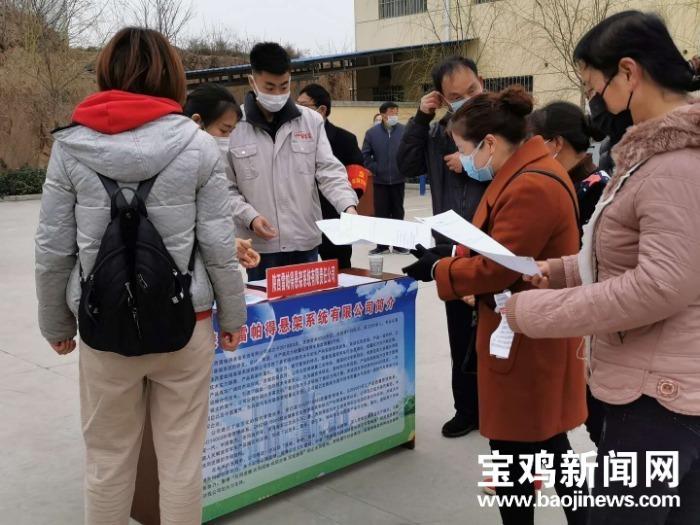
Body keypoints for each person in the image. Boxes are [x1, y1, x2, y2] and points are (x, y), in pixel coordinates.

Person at [34, 27, 246, 524]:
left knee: (107, 460)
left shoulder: (71, 146)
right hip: (185, 324)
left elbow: (52, 248)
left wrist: (56, 324)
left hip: (104, 325)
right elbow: (218, 245)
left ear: (105, 72)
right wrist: (233, 316)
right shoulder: (198, 146)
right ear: (172, 77)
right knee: (181, 461)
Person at [504, 11, 700, 525]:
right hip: (652, 385)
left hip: (659, 401)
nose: (595, 103)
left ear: (629, 73)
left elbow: (660, 286)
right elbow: (625, 255)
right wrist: (557, 272)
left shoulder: (676, 165)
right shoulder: (651, 156)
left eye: (596, 88)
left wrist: (536, 312)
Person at [402, 86, 587, 525]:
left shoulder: (530, 184)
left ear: (488, 142)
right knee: (547, 445)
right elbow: (501, 247)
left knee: (517, 453)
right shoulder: (525, 171)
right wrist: (453, 254)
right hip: (526, 335)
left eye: (464, 149)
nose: (463, 159)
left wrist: (440, 269)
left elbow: (499, 268)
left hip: (526, 340)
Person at [397, 56, 488, 438]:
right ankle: (467, 409)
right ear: (442, 98)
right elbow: (405, 165)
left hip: (496, 245)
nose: (467, 99)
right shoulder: (438, 134)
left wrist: (473, 164)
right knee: (460, 334)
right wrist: (420, 119)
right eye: (456, 96)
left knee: (500, 334)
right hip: (452, 247)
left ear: (482, 81)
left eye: (473, 90)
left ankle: (499, 408)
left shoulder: (506, 126)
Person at [226, 42, 359, 281]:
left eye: (284, 86)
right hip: (261, 246)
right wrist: (250, 217)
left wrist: (348, 206)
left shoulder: (310, 121)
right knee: (266, 305)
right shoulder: (234, 126)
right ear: (252, 81)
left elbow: (329, 171)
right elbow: (225, 188)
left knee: (307, 303)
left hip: (304, 241)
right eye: (269, 87)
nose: (277, 94)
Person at [184, 83, 261, 270]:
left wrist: (231, 245)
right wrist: (226, 245)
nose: (227, 139)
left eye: (231, 132)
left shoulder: (209, 163)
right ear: (197, 122)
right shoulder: (178, 168)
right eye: (224, 130)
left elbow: (210, 222)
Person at [297, 83, 368, 269]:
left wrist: (347, 206)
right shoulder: (294, 137)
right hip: (302, 219)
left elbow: (357, 176)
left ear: (322, 110)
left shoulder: (345, 139)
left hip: (334, 217)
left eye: (303, 105)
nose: (298, 110)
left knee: (339, 270)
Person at [528, 101, 610, 227]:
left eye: (537, 145)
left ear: (557, 142)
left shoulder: (597, 190)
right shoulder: (566, 183)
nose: (534, 153)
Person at [362, 101, 408, 255]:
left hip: (398, 179)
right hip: (380, 181)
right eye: (391, 112)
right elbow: (365, 155)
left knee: (398, 212)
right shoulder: (372, 133)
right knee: (381, 213)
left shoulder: (403, 131)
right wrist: (377, 169)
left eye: (396, 112)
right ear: (382, 114)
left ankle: (399, 245)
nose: (394, 115)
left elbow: (409, 152)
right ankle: (382, 246)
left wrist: (404, 168)